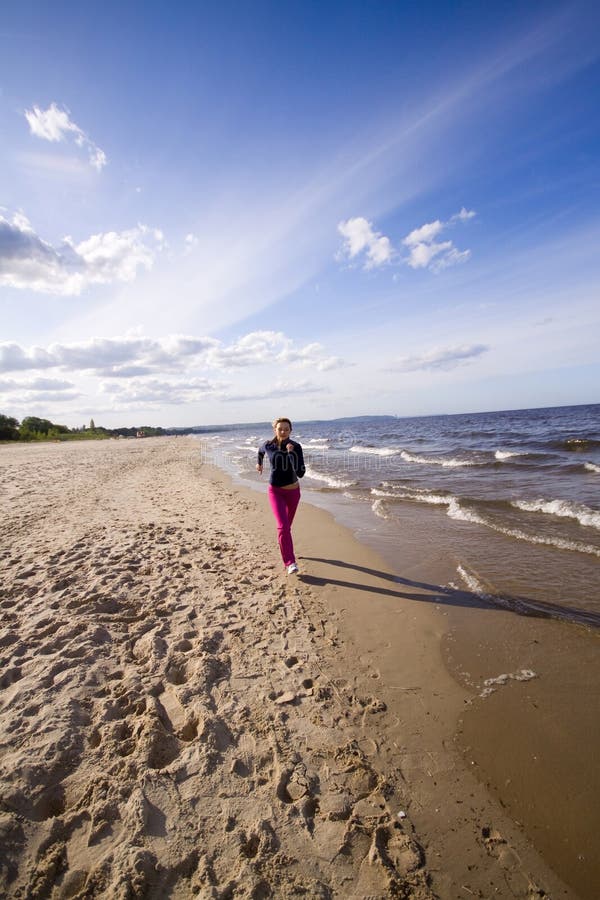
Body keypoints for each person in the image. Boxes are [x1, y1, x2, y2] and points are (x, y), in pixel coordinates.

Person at [256, 417, 305, 574]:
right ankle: (290, 562)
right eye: (280, 428)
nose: (283, 431)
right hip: (275, 491)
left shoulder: (296, 447)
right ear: (274, 430)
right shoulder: (268, 445)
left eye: (286, 429)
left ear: (291, 430)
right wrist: (260, 463)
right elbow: (260, 451)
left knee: (286, 527)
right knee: (283, 527)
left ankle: (285, 547)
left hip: (293, 492)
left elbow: (301, 473)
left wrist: (291, 455)